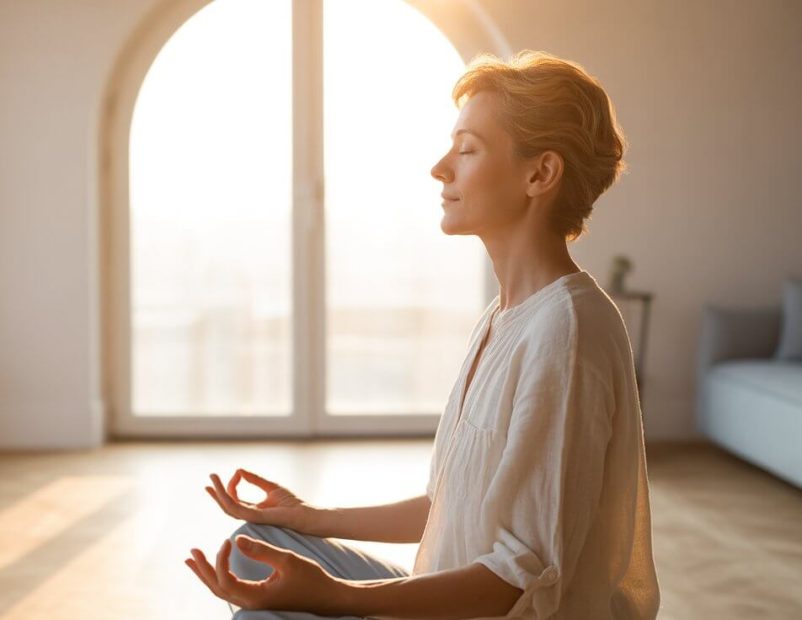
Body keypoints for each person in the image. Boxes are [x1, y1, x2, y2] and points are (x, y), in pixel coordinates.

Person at [185, 50, 661, 619]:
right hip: (448, 590)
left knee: (268, 610)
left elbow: (521, 579)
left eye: (467, 149)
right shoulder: (503, 317)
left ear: (540, 174)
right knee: (255, 550)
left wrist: (336, 597)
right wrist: (308, 518)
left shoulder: (568, 332)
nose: (441, 167)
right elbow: (446, 507)